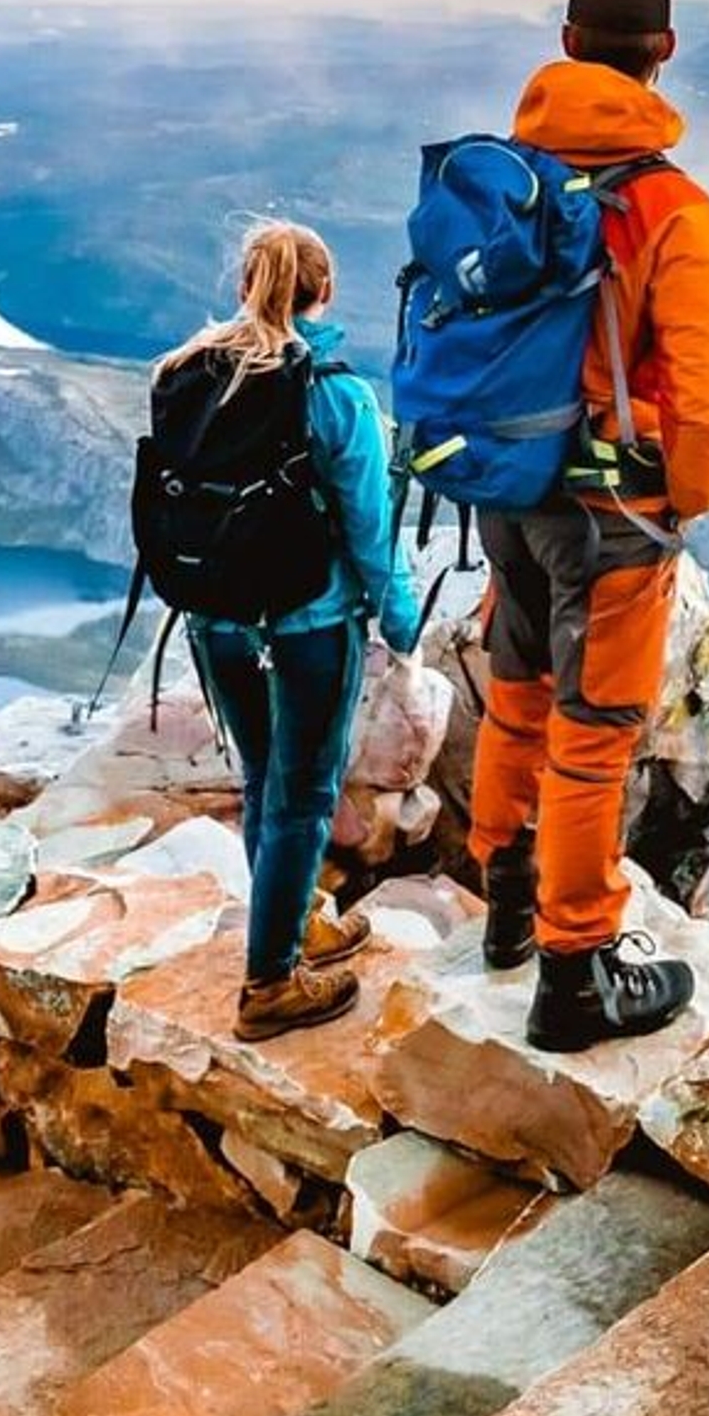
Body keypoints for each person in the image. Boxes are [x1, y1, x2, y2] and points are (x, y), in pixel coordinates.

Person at [466, 0, 709, 1051]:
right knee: (593, 737)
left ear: (569, 40)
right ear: (662, 53)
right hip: (612, 512)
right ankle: (576, 977)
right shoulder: (673, 209)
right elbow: (705, 385)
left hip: (507, 485)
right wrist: (684, 499)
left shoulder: (509, 180)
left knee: (517, 691)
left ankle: (503, 909)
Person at [156, 220, 422, 1039]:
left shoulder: (184, 374)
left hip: (215, 619)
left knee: (264, 777)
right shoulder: (336, 395)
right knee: (305, 796)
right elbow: (370, 531)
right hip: (308, 623)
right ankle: (270, 980)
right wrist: (402, 620)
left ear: (245, 285)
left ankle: (298, 920)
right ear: (325, 293)